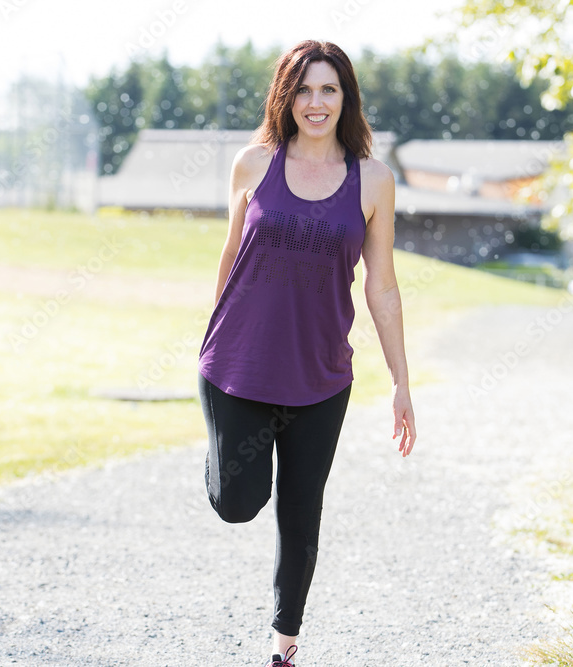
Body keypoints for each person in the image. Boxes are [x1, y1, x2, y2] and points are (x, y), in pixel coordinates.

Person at [196, 39, 417, 667]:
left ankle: (284, 644)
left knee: (301, 510)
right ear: (285, 96)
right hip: (236, 367)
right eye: (303, 89)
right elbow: (229, 252)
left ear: (346, 98)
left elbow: (382, 284)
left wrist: (402, 382)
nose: (315, 102)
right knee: (239, 504)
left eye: (329, 89)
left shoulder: (372, 179)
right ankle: (223, 463)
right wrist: (213, 332)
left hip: (320, 377)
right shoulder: (252, 164)